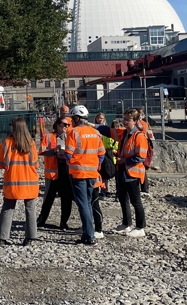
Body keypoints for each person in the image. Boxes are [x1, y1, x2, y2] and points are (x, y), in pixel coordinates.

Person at [64, 105, 105, 245]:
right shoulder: (95, 132)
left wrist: (71, 162)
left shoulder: (73, 133)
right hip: (92, 173)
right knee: (87, 202)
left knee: (83, 204)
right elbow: (101, 154)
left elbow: (68, 154)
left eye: (72, 118)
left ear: (76, 118)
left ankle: (89, 235)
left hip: (78, 173)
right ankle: (89, 232)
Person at [0, 117, 40, 246]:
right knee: (30, 209)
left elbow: (1, 164)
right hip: (30, 182)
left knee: (8, 208)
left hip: (12, 181)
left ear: (13, 128)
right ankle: (30, 238)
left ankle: (2, 238)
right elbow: (36, 164)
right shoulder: (31, 143)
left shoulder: (5, 143)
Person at [113, 108, 148, 237]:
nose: (125, 121)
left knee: (135, 200)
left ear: (135, 121)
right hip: (122, 171)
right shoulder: (125, 134)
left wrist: (124, 161)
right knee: (123, 198)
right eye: (124, 119)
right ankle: (126, 224)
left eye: (128, 120)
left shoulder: (138, 136)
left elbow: (141, 156)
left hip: (132, 173)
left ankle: (140, 227)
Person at [36, 117, 73, 230]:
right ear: (57, 125)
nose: (66, 127)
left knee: (66, 199)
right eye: (63, 124)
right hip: (53, 173)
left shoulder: (70, 137)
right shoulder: (49, 137)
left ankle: (63, 222)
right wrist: (54, 152)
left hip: (66, 172)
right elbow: (41, 151)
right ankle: (41, 220)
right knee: (48, 198)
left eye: (67, 125)